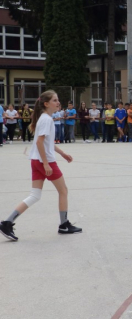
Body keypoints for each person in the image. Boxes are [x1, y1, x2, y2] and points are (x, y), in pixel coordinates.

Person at [0, 90, 82, 242]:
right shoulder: (47, 120)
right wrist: (46, 163)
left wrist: (62, 153)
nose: (58, 103)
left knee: (35, 195)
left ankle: (7, 222)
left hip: (35, 160)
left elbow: (47, 142)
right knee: (63, 190)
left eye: (58, 100)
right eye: (55, 100)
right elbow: (39, 142)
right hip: (45, 162)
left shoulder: (45, 118)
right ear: (46, 104)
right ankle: (64, 224)